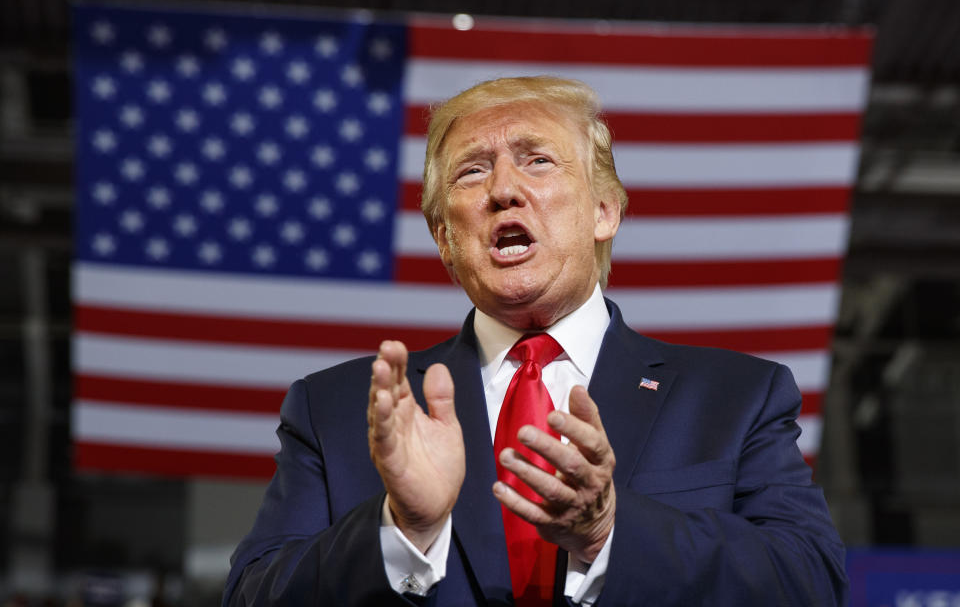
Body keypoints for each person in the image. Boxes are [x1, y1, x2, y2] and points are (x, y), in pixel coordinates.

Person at [223, 77, 848, 606]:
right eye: (472, 171)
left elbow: (811, 581)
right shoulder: (337, 409)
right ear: (444, 238)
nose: (502, 189)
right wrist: (401, 529)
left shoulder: (737, 398)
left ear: (605, 211)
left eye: (537, 160)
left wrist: (610, 528)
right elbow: (253, 594)